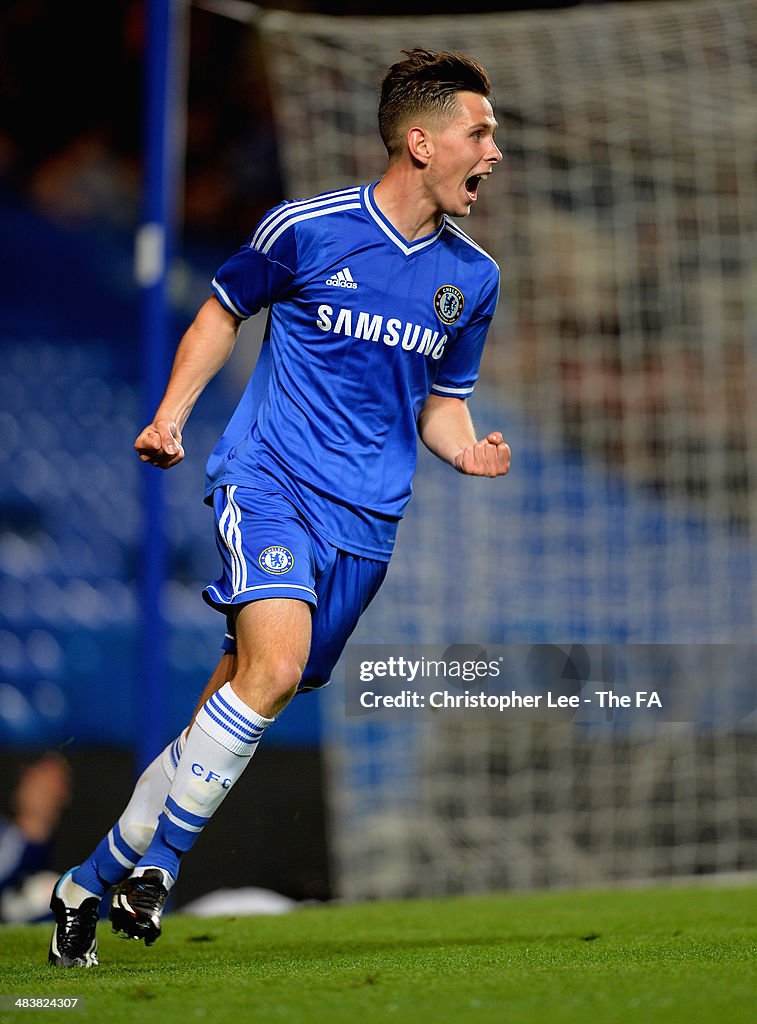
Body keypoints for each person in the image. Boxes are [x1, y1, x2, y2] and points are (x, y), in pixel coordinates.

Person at [48, 47, 510, 969]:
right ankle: (161, 872)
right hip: (269, 484)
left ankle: (82, 885)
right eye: (480, 131)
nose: (493, 151)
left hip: (366, 526)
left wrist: (466, 449)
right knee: (275, 666)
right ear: (420, 142)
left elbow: (442, 399)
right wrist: (170, 417)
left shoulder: (474, 278)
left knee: (242, 695)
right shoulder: (306, 228)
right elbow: (222, 311)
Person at [1, 753, 71, 923]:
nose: (51, 790)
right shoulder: (6, 836)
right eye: (44, 780)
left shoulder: (58, 852)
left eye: (59, 783)